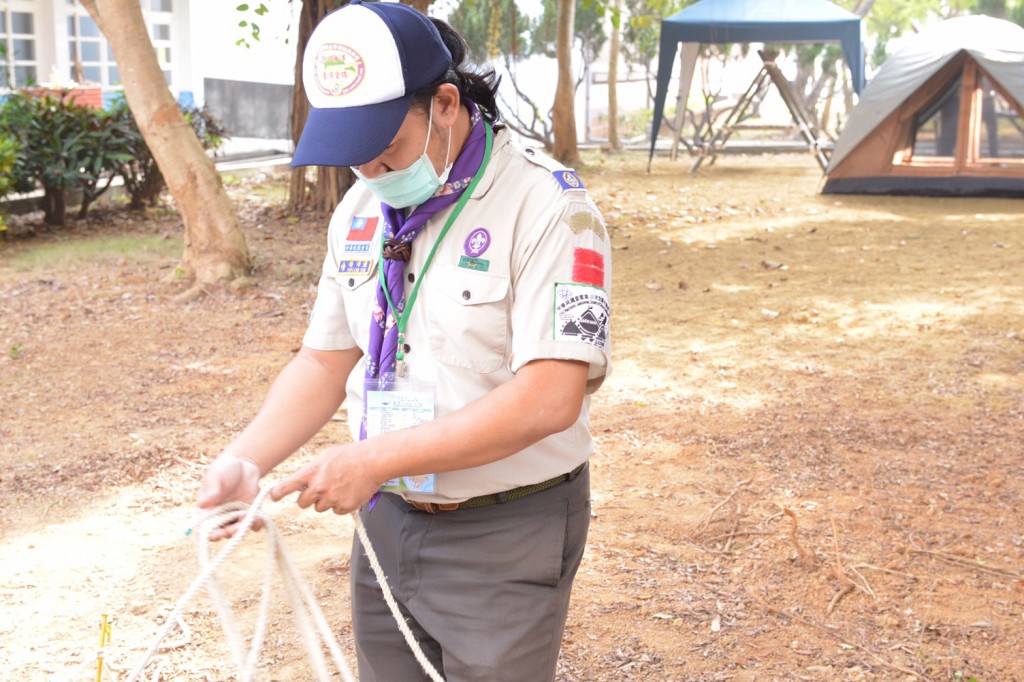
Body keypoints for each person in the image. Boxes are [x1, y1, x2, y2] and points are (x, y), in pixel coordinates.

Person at [196, 1, 611, 680]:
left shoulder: (549, 207)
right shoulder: (361, 211)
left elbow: (550, 397)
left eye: (386, 149)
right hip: (388, 518)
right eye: (357, 158)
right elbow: (324, 361)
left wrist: (375, 458)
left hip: (505, 527)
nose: (373, 173)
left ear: (445, 104)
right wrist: (245, 458)